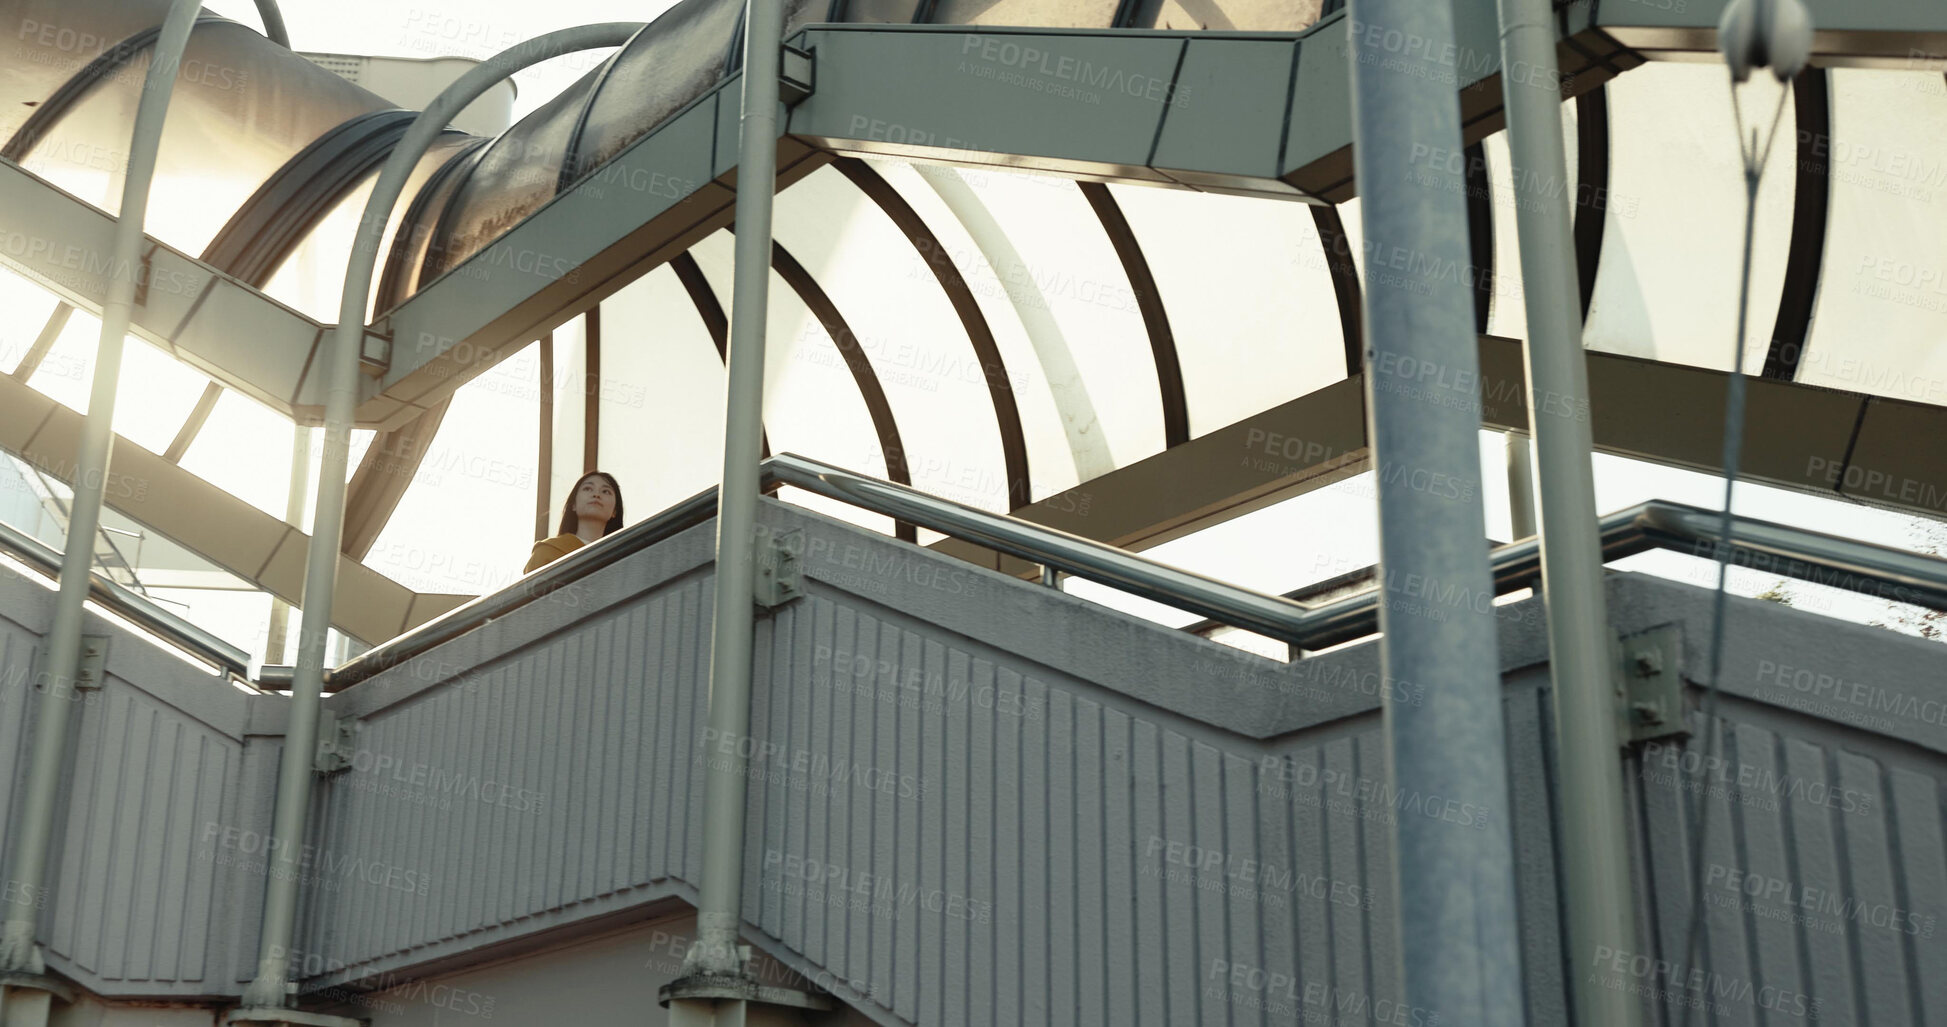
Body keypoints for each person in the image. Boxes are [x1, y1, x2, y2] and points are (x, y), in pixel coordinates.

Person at [524, 471, 624, 573]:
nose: (596, 494)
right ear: (573, 505)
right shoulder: (547, 551)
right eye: (588, 489)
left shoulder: (623, 560)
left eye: (605, 491)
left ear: (614, 511)